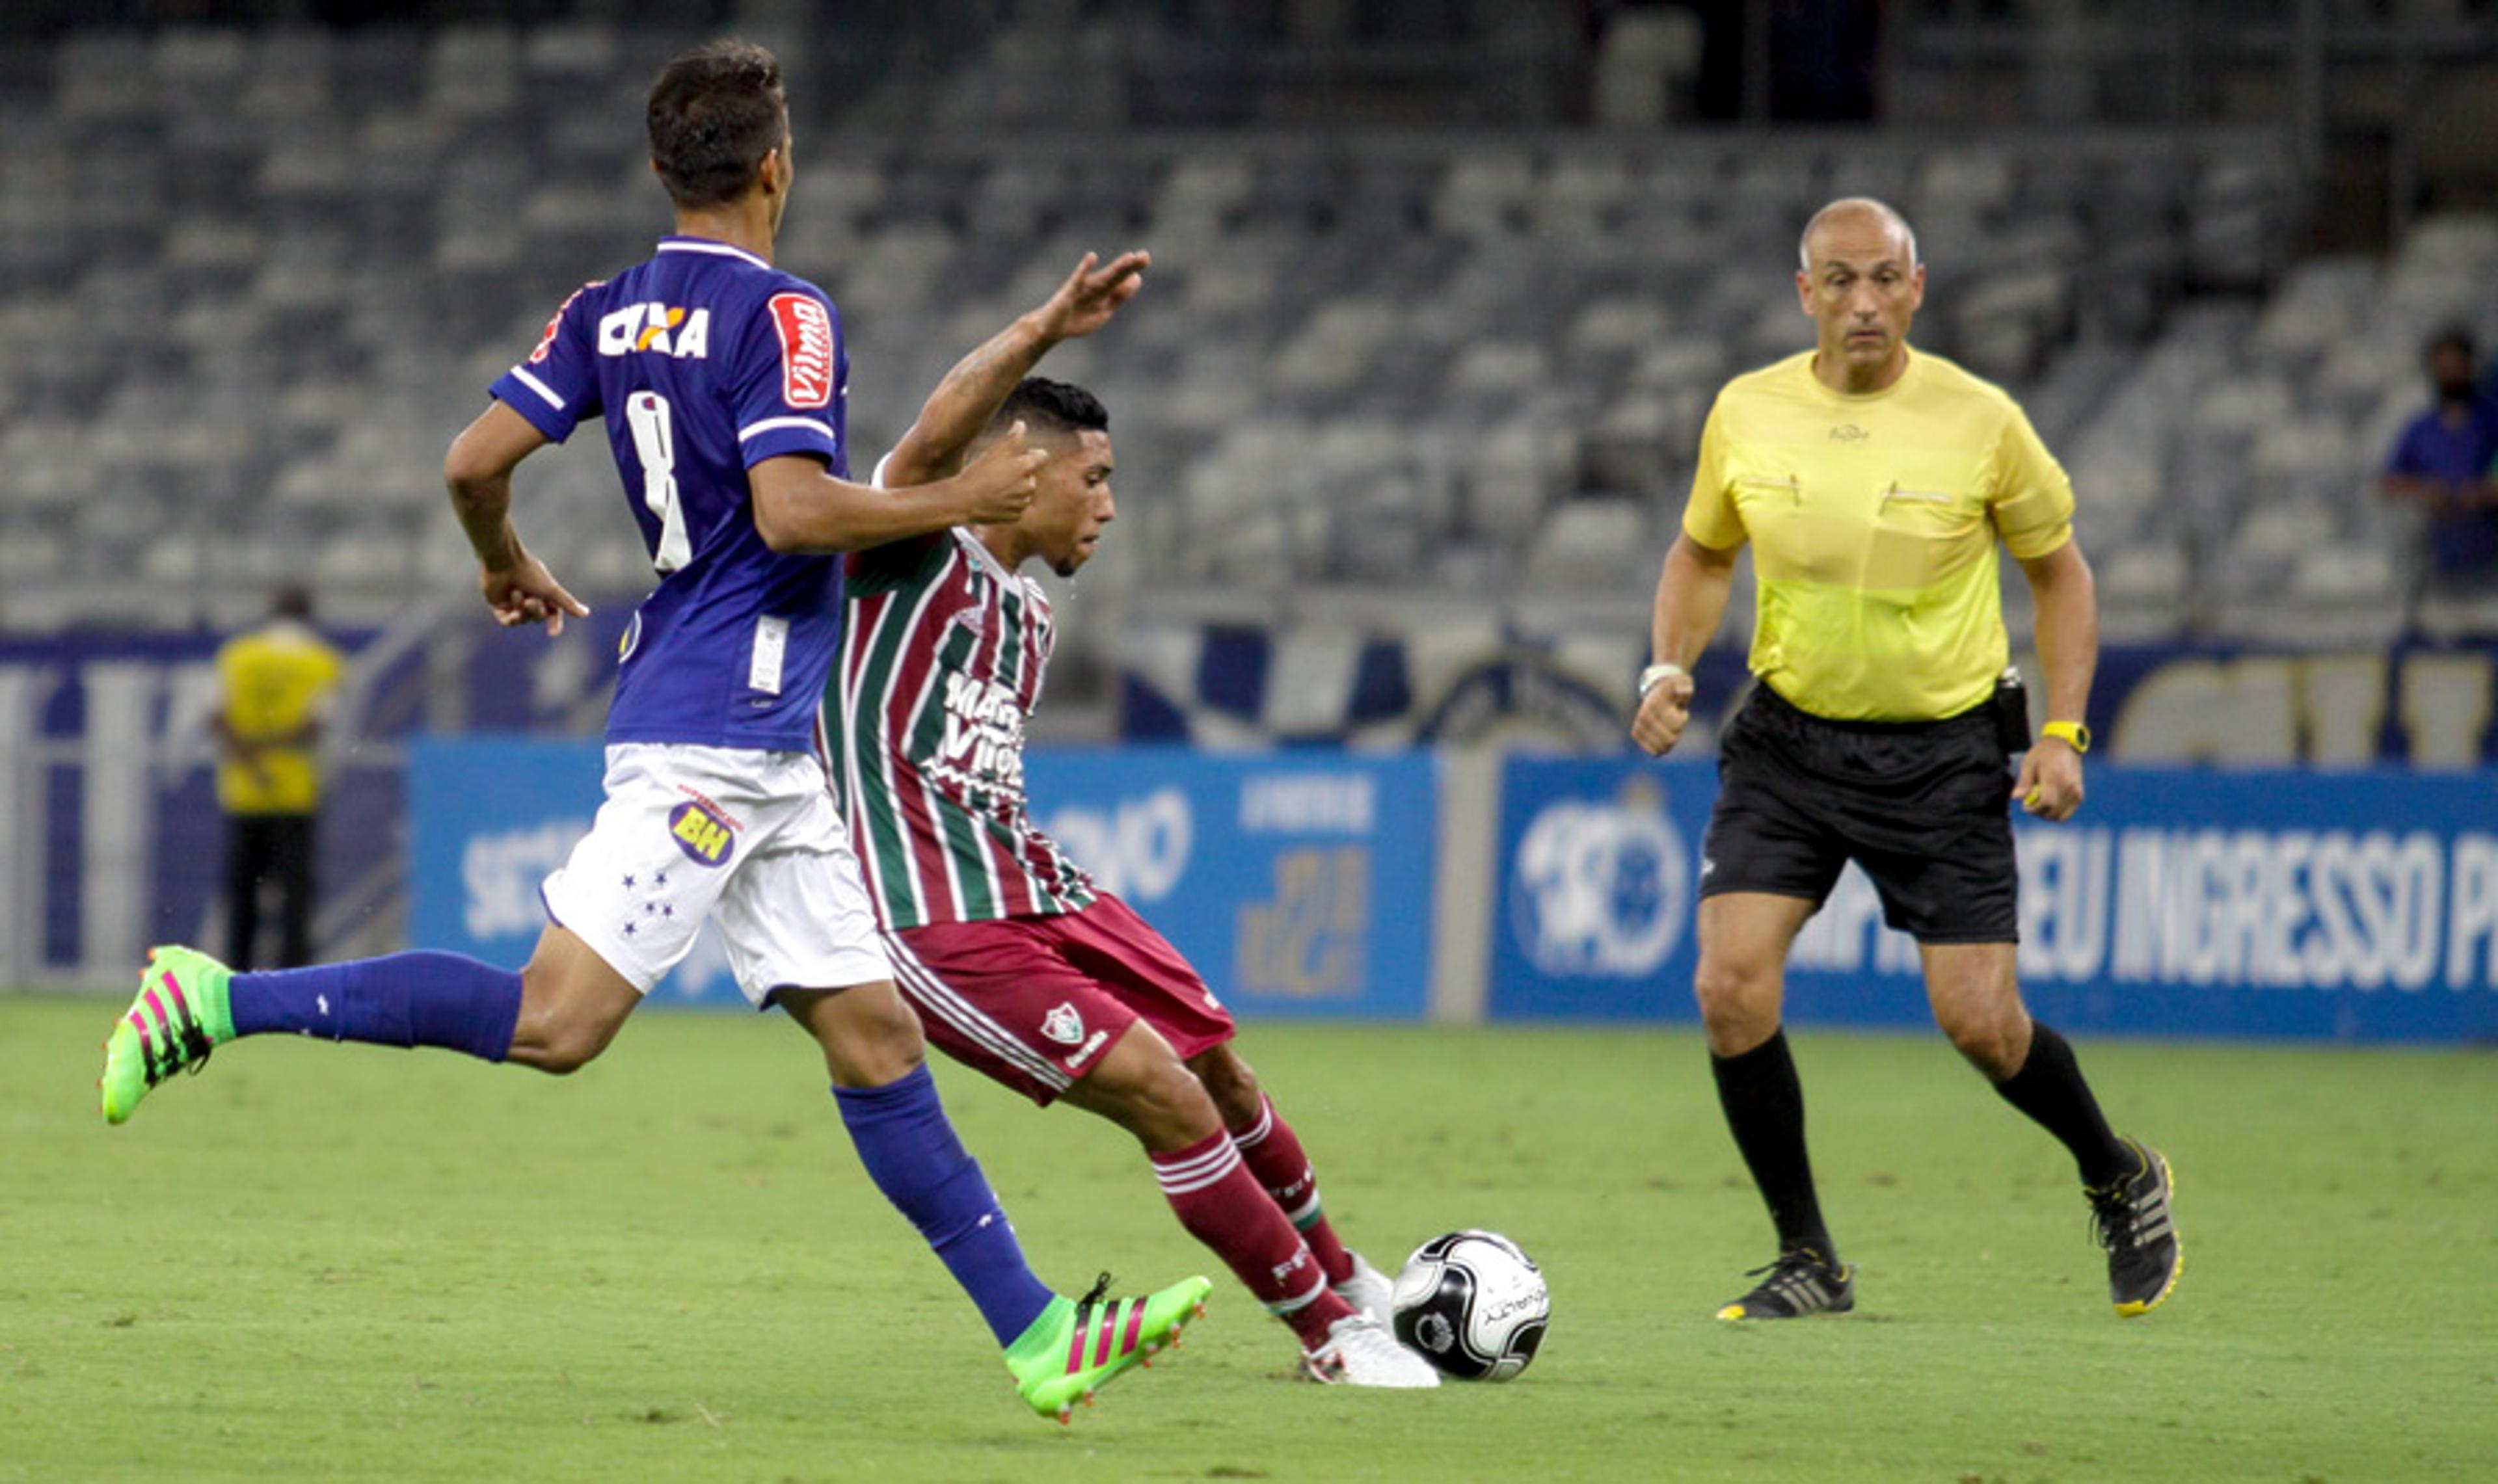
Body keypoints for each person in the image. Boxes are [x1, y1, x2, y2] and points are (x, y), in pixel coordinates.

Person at [100, 39, 1208, 1424]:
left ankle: (1039, 1334)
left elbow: (471, 463)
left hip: (765, 741)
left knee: (873, 1038)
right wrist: (965, 497)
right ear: (777, 167)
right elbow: (797, 512)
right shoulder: (789, 316)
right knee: (557, 1023)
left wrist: (500, 555)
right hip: (718, 731)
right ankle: (214, 999)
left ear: (659, 169)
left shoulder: (607, 308)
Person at [829, 268, 1438, 1387]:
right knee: (1160, 1086)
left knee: (1222, 1071)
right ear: (1023, 470)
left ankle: (1351, 1276)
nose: (1109, 505)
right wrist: (1039, 331)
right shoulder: (910, 547)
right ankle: (1330, 1338)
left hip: (1036, 882)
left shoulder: (1031, 611)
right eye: (1095, 479)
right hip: (936, 915)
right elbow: (930, 441)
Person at [1630, 197, 2181, 1322]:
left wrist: (2067, 733)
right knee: (1729, 986)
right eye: (1840, 281)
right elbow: (1699, 551)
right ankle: (1808, 1257)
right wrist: (1666, 668)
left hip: (1941, 752)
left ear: (1918, 288)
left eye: (1885, 279)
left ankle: (2118, 1169)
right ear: (1805, 294)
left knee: (1980, 1022)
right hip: (1788, 739)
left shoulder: (1982, 420)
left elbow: (2061, 574)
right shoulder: (1747, 410)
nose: (1864, 302)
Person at [213, 584, 345, 970]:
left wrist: (252, 760)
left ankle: (234, 976)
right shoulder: (323, 661)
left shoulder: (237, 656)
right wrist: (274, 753)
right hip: (295, 792)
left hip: (244, 790)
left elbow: (217, 718)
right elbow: (317, 724)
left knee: (242, 892)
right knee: (295, 896)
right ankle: (294, 975)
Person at [2378, 325, 2498, 614]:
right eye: (2444, 368)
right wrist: (2429, 492)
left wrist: (2485, 494)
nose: (2451, 375)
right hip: (2440, 554)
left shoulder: (2491, 419)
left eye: (2457, 367)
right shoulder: (2421, 428)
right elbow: (2390, 482)